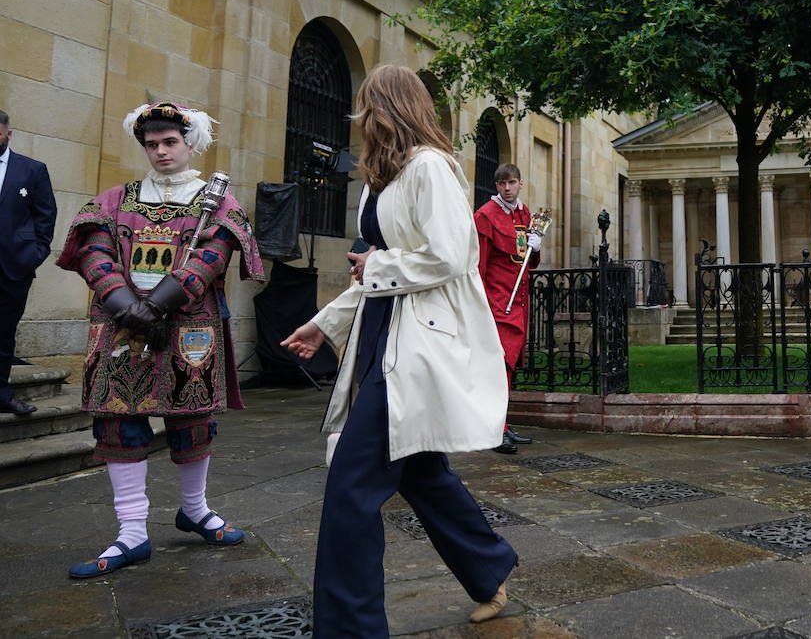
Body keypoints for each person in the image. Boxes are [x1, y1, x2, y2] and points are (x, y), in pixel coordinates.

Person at [282, 65, 517, 635]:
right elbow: (378, 272)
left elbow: (448, 256)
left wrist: (377, 264)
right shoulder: (381, 177)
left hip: (417, 343)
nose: (362, 117)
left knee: (351, 487)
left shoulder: (431, 167)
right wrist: (324, 323)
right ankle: (489, 569)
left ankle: (351, 629)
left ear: (395, 108)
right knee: (419, 471)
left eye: (370, 106)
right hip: (382, 330)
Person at [56, 102, 263, 578]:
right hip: (121, 327)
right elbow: (93, 252)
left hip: (189, 327)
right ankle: (131, 532)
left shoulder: (221, 202)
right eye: (151, 144)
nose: (160, 151)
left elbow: (213, 254)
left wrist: (159, 304)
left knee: (192, 421)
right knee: (118, 423)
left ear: (189, 143)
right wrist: (127, 304)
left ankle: (194, 509)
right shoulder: (114, 199)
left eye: (170, 142)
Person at [474, 163, 546, 454]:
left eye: (512, 183)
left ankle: (501, 425)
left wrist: (536, 247)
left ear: (520, 184)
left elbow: (527, 261)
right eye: (502, 183)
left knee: (509, 366)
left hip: (519, 303)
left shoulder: (525, 214)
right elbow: (478, 267)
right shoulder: (484, 216)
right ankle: (493, 430)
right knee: (498, 367)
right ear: (496, 185)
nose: (507, 188)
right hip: (496, 304)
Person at [0, 109, 58, 416]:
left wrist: (34, 254)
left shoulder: (32, 170)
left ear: (9, 134)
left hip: (12, 268)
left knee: (4, 332)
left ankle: (1, 393)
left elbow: (45, 216)